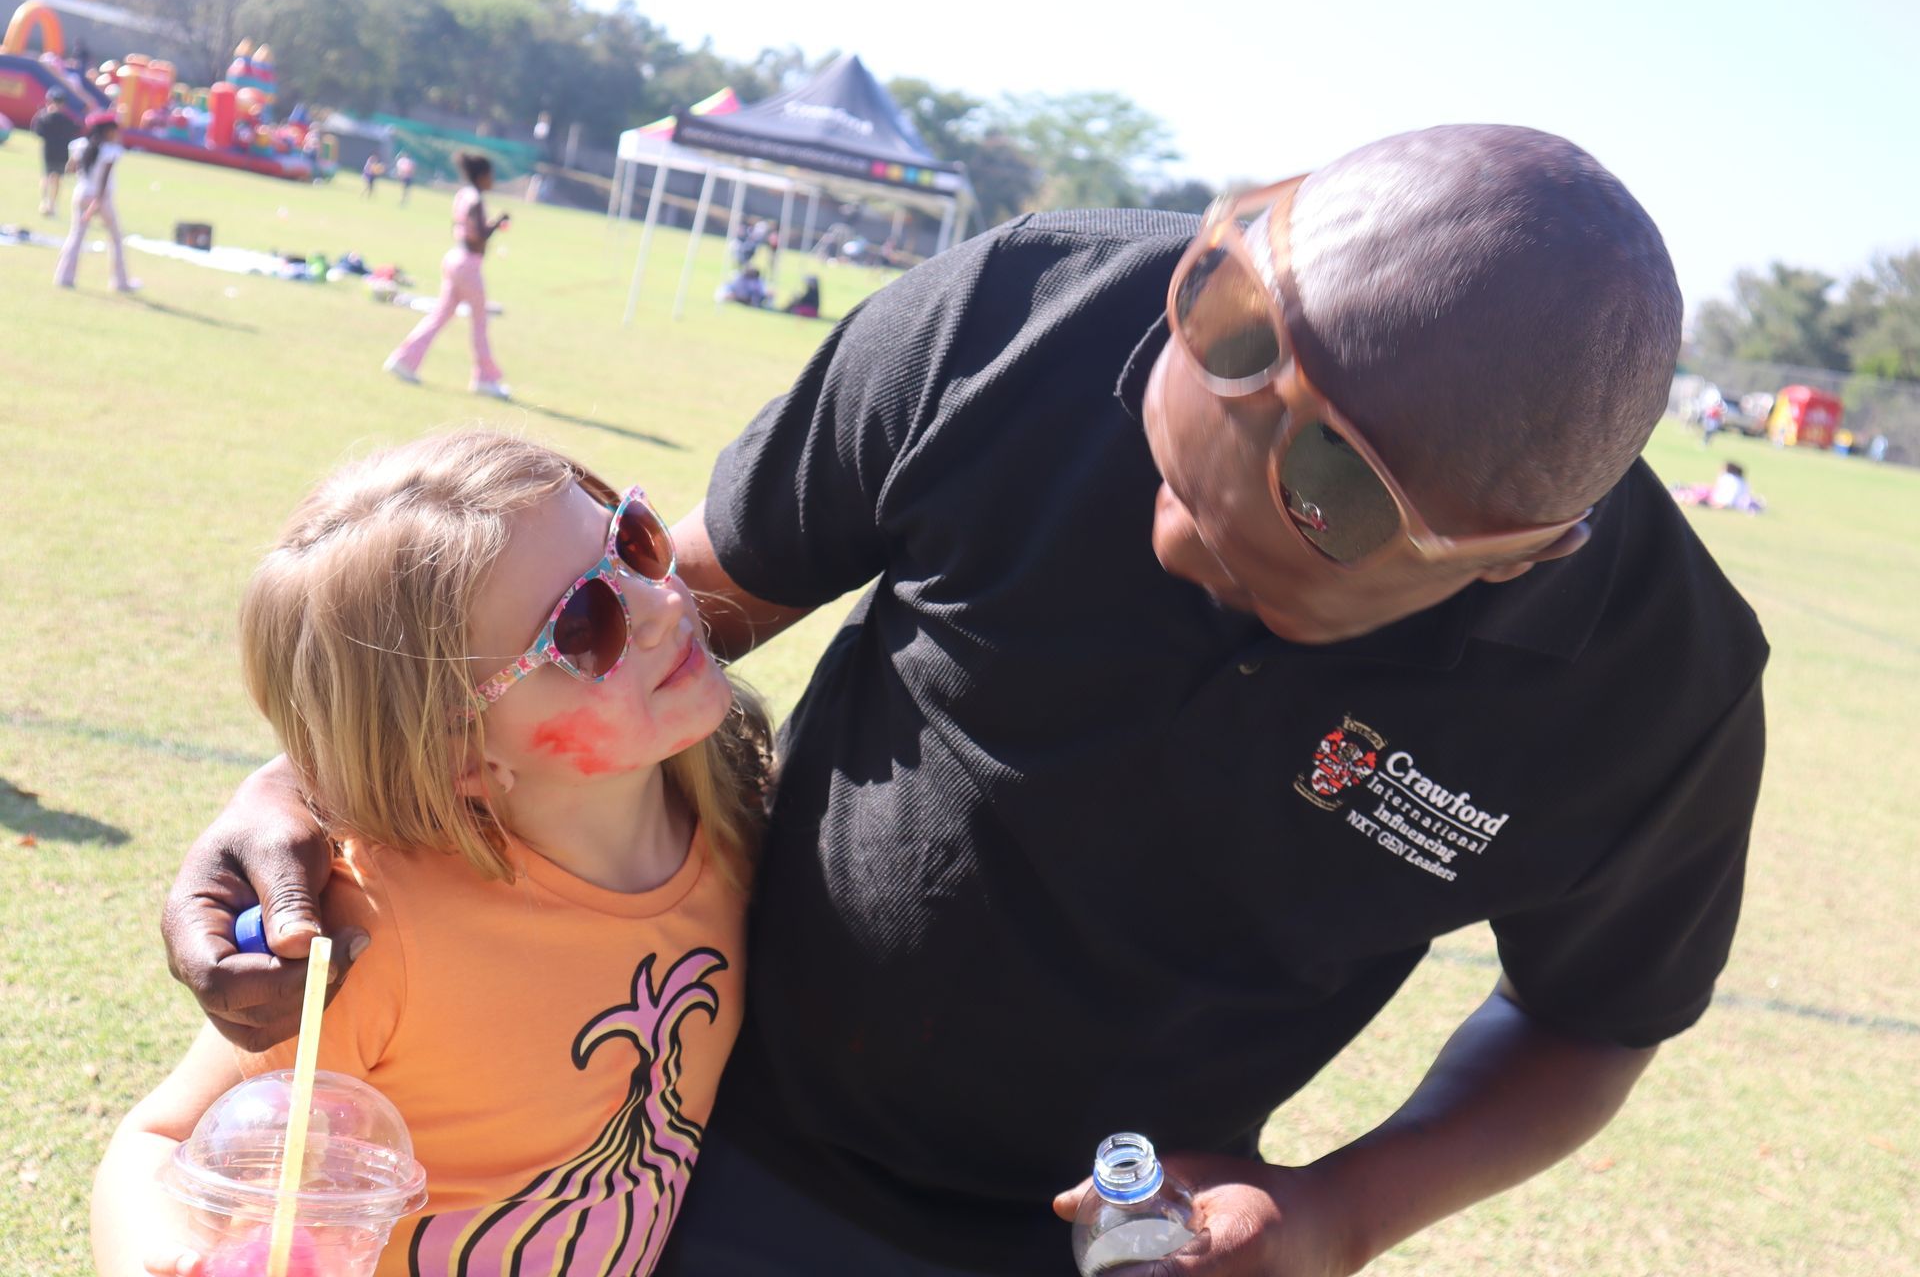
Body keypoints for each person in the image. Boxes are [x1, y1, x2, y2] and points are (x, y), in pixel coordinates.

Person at [163, 126, 1769, 1276]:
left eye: (1248, 549)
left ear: (1511, 559)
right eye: (1166, 456)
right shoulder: (1025, 315)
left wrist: (1348, 1204)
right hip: (715, 1139)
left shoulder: (1655, 693)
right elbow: (700, 595)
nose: (1160, 531)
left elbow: (1591, 1016)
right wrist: (328, 772)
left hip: (1102, 1239)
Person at [94, 430, 771, 1277]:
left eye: (632, 540)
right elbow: (156, 1142)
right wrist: (167, 1256)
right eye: (585, 625)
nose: (668, 604)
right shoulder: (379, 932)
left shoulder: (743, 836)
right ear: (462, 754)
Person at [384, 151, 512, 398]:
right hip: (468, 264)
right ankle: (485, 378)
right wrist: (497, 223)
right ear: (482, 175)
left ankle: (404, 360)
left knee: (440, 316)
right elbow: (477, 236)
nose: (493, 181)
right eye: (491, 176)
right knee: (479, 322)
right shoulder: (475, 199)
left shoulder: (463, 195)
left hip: (455, 259)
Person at [53, 112, 135, 292]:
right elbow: (104, 180)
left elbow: (70, 168)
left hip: (81, 194)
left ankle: (64, 277)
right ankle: (120, 282)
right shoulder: (111, 150)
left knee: (75, 236)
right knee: (115, 238)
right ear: (108, 131)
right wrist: (97, 202)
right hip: (100, 198)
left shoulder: (80, 145)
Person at [30, 89, 82, 217]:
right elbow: (76, 130)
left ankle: (44, 202)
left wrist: (42, 113)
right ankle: (52, 204)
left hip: (49, 150)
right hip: (62, 151)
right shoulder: (67, 118)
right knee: (57, 178)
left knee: (47, 176)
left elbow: (37, 131)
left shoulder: (44, 116)